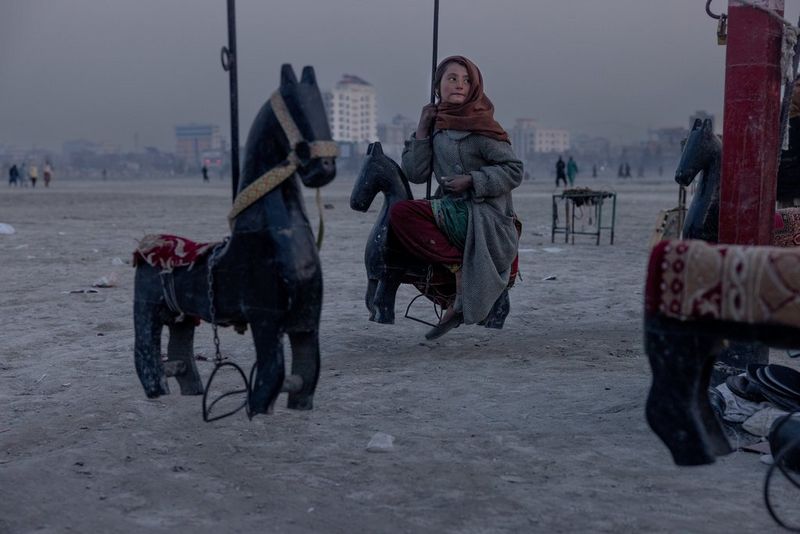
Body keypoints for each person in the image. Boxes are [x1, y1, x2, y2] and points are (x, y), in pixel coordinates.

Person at [390, 55, 523, 340]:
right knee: (399, 227)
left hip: (484, 215)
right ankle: (459, 272)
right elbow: (415, 173)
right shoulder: (437, 127)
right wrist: (423, 129)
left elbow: (514, 170)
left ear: (475, 86)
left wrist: (472, 181)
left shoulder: (483, 126)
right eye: (452, 78)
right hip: (450, 209)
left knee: (403, 213)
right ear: (438, 85)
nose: (459, 85)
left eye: (466, 80)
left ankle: (464, 272)